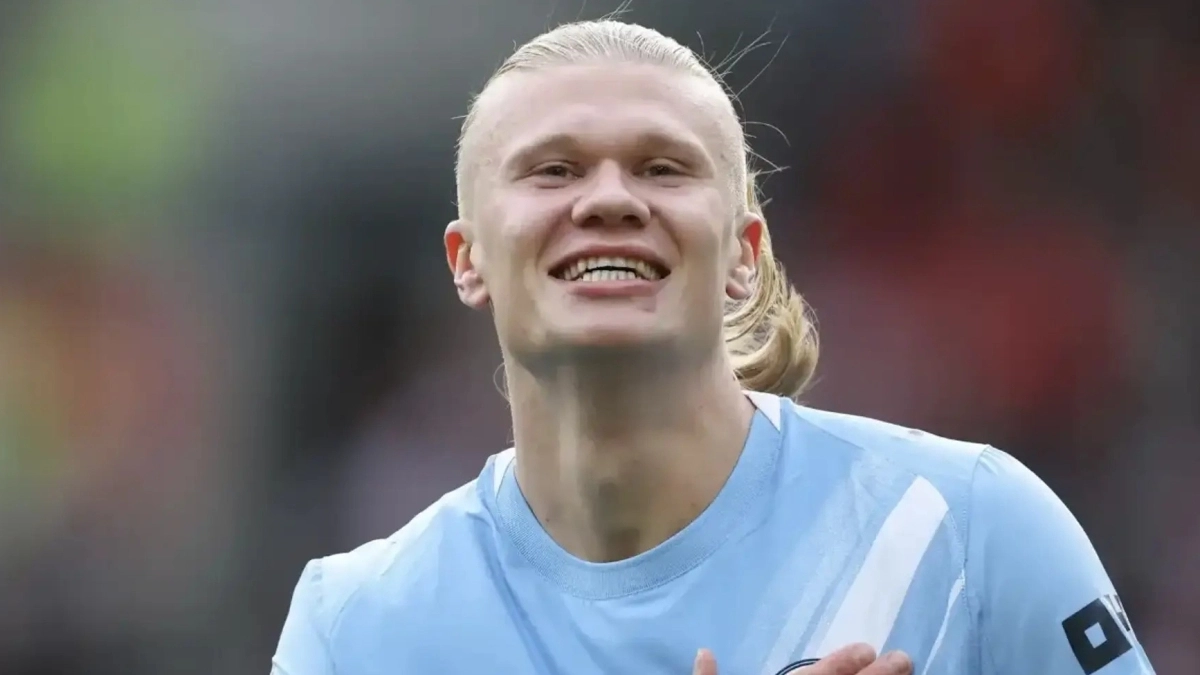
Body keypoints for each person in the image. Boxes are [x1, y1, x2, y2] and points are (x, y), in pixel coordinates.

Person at [270, 19, 1156, 675]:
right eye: (553, 170)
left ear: (745, 255)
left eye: (663, 167)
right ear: (468, 262)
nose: (609, 199)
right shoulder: (357, 627)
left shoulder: (968, 527)